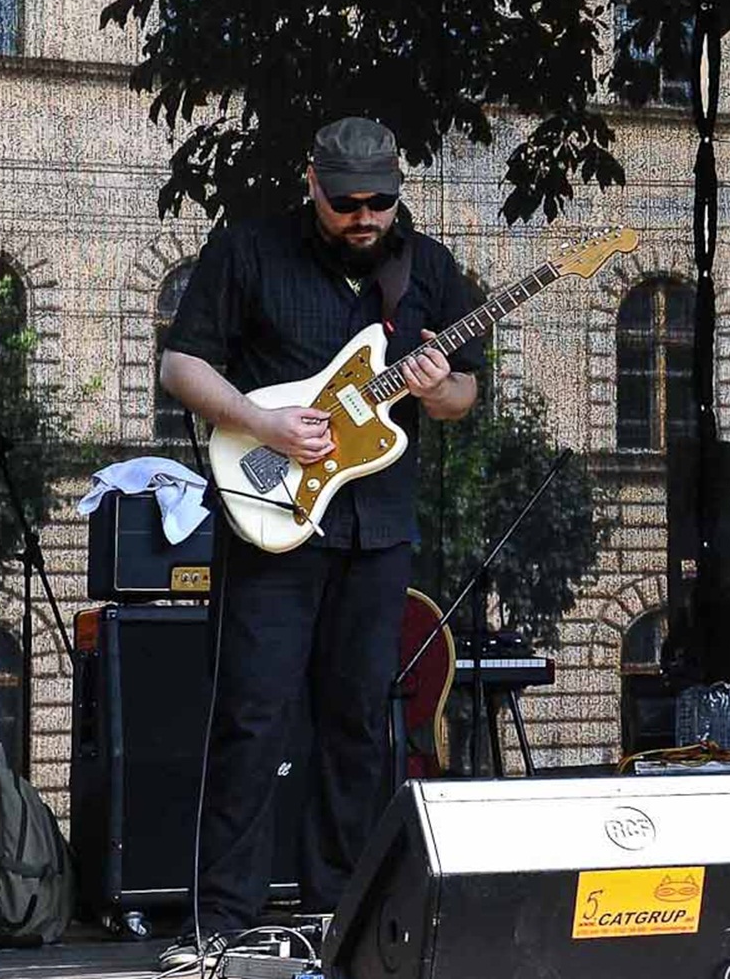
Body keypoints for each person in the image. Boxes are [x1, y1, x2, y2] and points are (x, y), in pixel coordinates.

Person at [158, 117, 485, 962]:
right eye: (347, 203)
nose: (365, 218)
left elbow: (462, 398)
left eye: (380, 203)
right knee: (251, 716)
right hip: (269, 521)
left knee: (358, 724)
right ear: (312, 183)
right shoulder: (250, 251)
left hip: (377, 529)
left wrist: (438, 388)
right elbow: (181, 366)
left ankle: (336, 917)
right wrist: (262, 422)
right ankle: (218, 925)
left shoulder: (429, 269)